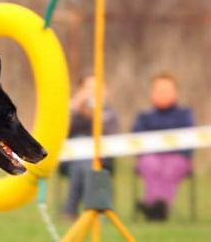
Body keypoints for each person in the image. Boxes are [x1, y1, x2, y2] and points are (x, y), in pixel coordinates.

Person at [133, 72, 194, 221]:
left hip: (177, 158)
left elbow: (189, 142)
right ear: (151, 93)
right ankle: (156, 207)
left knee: (170, 165)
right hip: (150, 157)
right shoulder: (144, 116)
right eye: (159, 90)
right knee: (151, 163)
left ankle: (157, 207)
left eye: (167, 90)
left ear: (175, 92)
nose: (163, 94)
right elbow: (137, 141)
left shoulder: (184, 114)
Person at [62, 75, 119, 219]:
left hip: (101, 160)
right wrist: (75, 108)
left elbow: (111, 135)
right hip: (71, 160)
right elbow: (62, 132)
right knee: (83, 156)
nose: (92, 93)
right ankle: (96, 210)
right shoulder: (73, 112)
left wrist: (94, 115)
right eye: (88, 89)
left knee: (85, 162)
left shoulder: (110, 115)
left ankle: (70, 209)